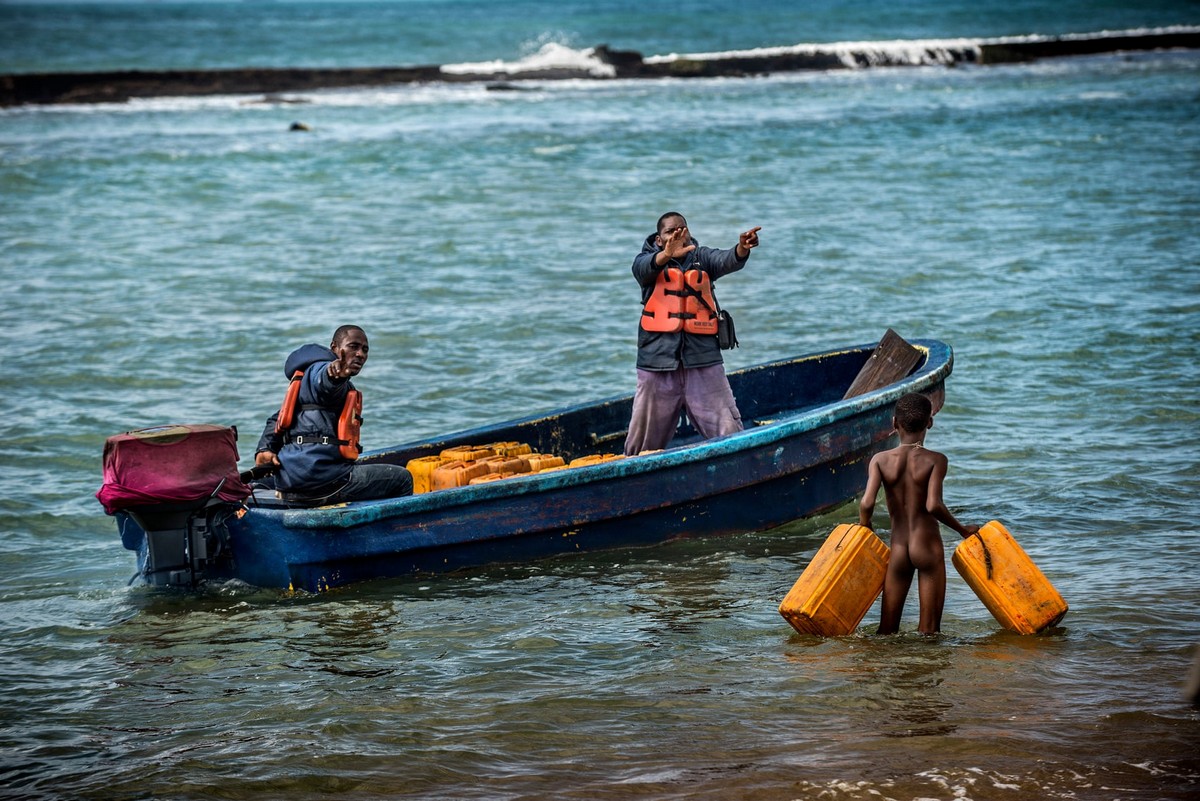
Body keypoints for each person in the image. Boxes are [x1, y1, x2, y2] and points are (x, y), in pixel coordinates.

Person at [622, 211, 762, 456]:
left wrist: (741, 248)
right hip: (656, 365)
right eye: (670, 232)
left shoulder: (702, 258)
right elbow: (642, 270)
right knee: (640, 446)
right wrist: (666, 255)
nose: (678, 235)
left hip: (703, 361)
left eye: (682, 230)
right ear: (658, 239)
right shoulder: (645, 262)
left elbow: (726, 259)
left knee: (729, 433)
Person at [858, 392, 978, 635]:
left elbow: (866, 502)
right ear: (929, 423)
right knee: (929, 633)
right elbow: (933, 505)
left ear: (894, 423)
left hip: (899, 548)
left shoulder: (879, 460)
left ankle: (888, 669)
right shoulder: (936, 460)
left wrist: (866, 526)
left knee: (886, 631)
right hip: (927, 547)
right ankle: (922, 669)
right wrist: (963, 530)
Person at [254, 325, 413, 505]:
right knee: (402, 478)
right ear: (334, 348)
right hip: (322, 480)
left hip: (292, 480)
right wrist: (335, 375)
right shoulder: (321, 371)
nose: (360, 354)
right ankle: (395, 531)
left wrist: (264, 449)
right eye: (353, 346)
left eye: (365, 349)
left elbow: (277, 417)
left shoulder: (302, 378)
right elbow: (325, 382)